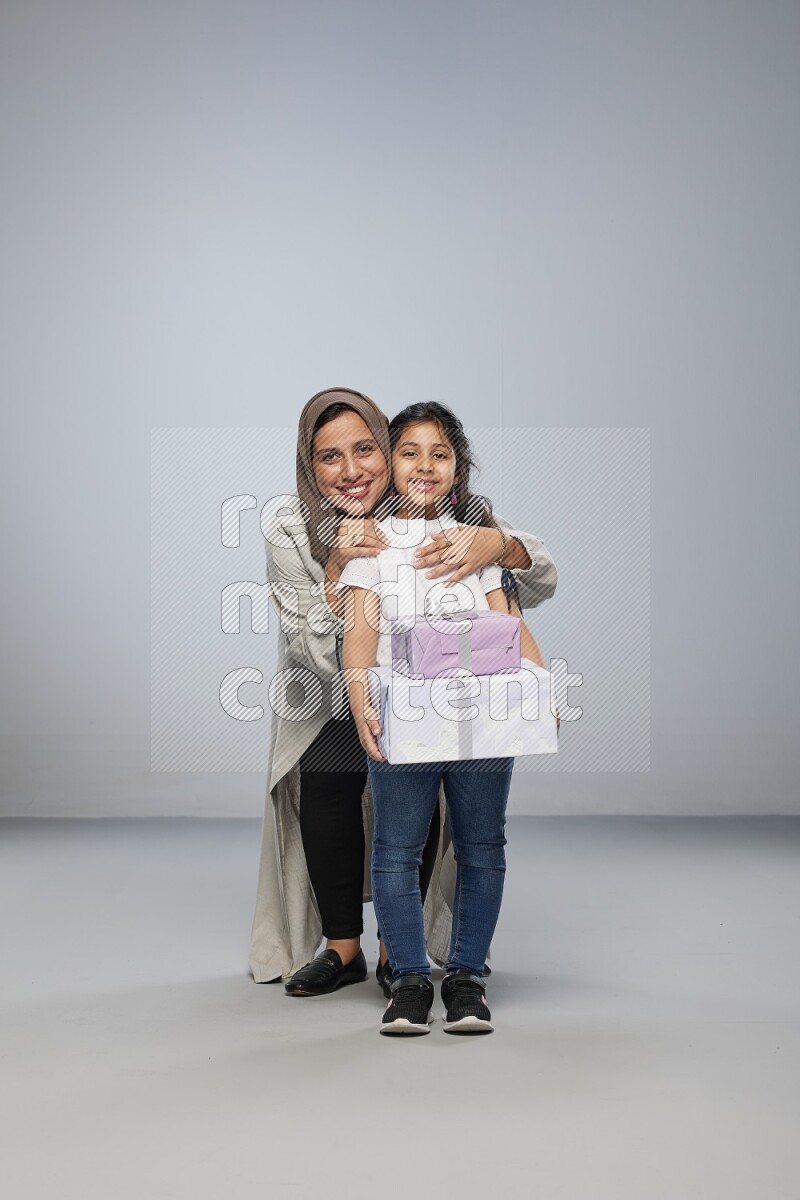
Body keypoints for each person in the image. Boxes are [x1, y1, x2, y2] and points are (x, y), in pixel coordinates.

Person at [248, 387, 558, 995]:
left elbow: (535, 582)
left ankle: (400, 946)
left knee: (411, 813)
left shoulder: (433, 503)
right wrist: (341, 570)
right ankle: (343, 946)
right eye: (329, 457)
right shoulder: (289, 524)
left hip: (422, 693)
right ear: (308, 466)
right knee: (330, 787)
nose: (352, 469)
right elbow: (311, 642)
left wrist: (498, 545)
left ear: (386, 453)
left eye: (366, 450)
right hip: (328, 693)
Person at [340, 401, 548, 1035]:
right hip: (406, 716)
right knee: (397, 847)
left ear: (458, 469)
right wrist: (359, 700)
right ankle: (407, 980)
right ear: (389, 461)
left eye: (440, 454)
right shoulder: (369, 545)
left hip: (482, 719)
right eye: (409, 452)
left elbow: (509, 620)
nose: (424, 466)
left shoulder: (472, 542)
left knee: (483, 844)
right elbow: (360, 630)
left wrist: (541, 690)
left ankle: (465, 979)